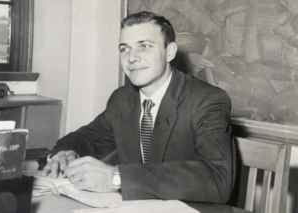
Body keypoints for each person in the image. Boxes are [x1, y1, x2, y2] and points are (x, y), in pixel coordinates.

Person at [42, 11, 235, 203]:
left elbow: (217, 179)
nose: (131, 58)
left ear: (170, 52)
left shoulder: (207, 101)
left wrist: (116, 178)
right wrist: (65, 153)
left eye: (144, 46)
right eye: (124, 49)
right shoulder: (122, 99)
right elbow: (86, 138)